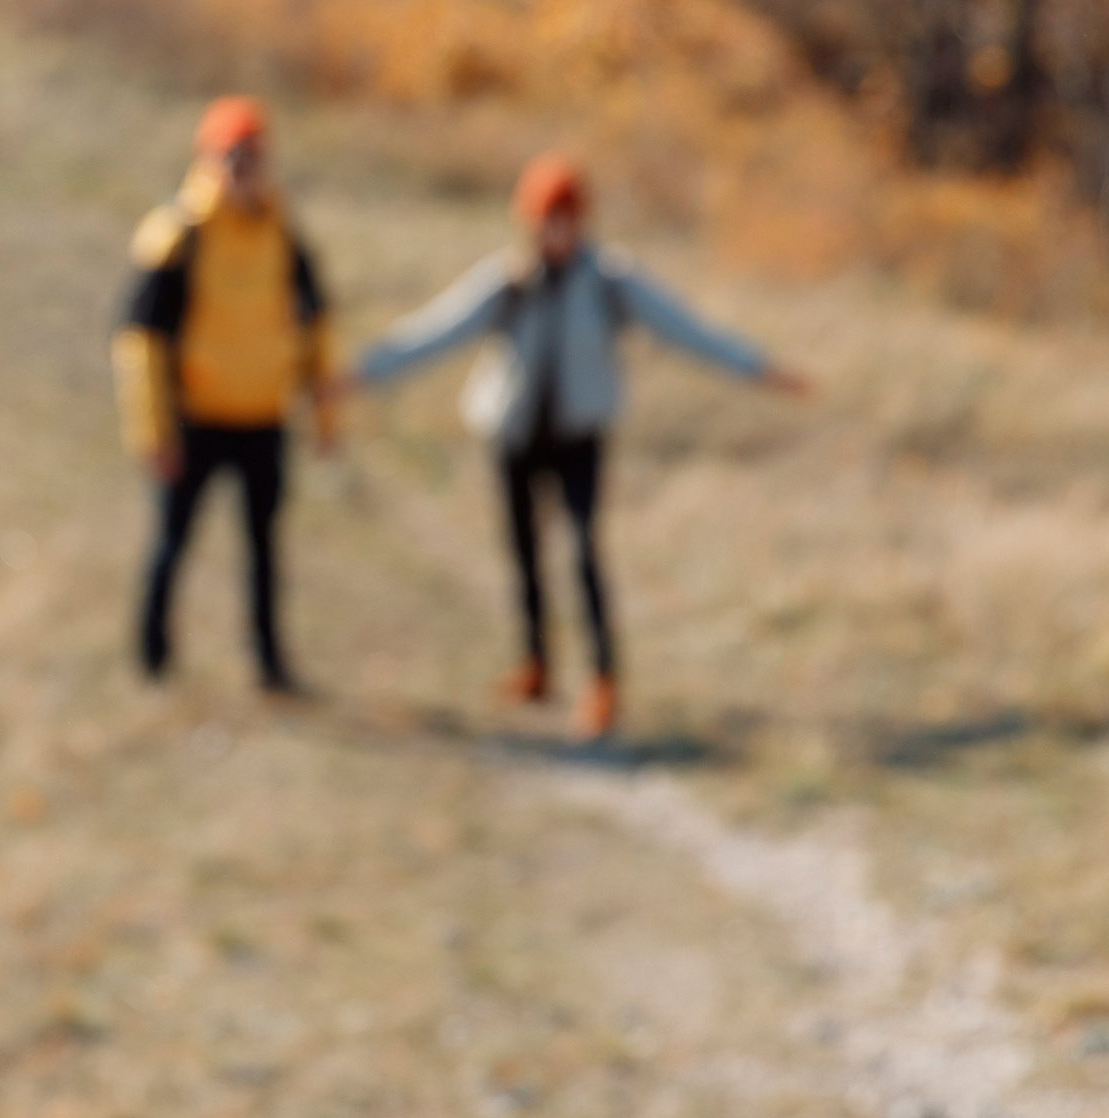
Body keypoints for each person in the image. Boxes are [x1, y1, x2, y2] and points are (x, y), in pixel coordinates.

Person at [353, 154, 809, 738]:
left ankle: (602, 681)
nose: (555, 233)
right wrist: (362, 374)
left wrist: (757, 369)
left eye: (564, 220)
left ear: (582, 221)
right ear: (528, 223)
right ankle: (536, 664)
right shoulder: (509, 282)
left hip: (578, 438)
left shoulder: (612, 282)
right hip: (514, 435)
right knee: (523, 555)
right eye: (545, 221)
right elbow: (436, 332)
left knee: (584, 556)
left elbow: (684, 329)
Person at [112, 95, 339, 694]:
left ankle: (269, 662)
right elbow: (141, 340)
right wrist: (151, 428)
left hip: (263, 416)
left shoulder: (282, 234)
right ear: (208, 161)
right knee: (172, 541)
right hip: (195, 417)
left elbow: (317, 322)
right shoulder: (177, 236)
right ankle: (153, 656)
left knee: (265, 549)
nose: (244, 171)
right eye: (233, 159)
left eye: (254, 159)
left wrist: (325, 407)